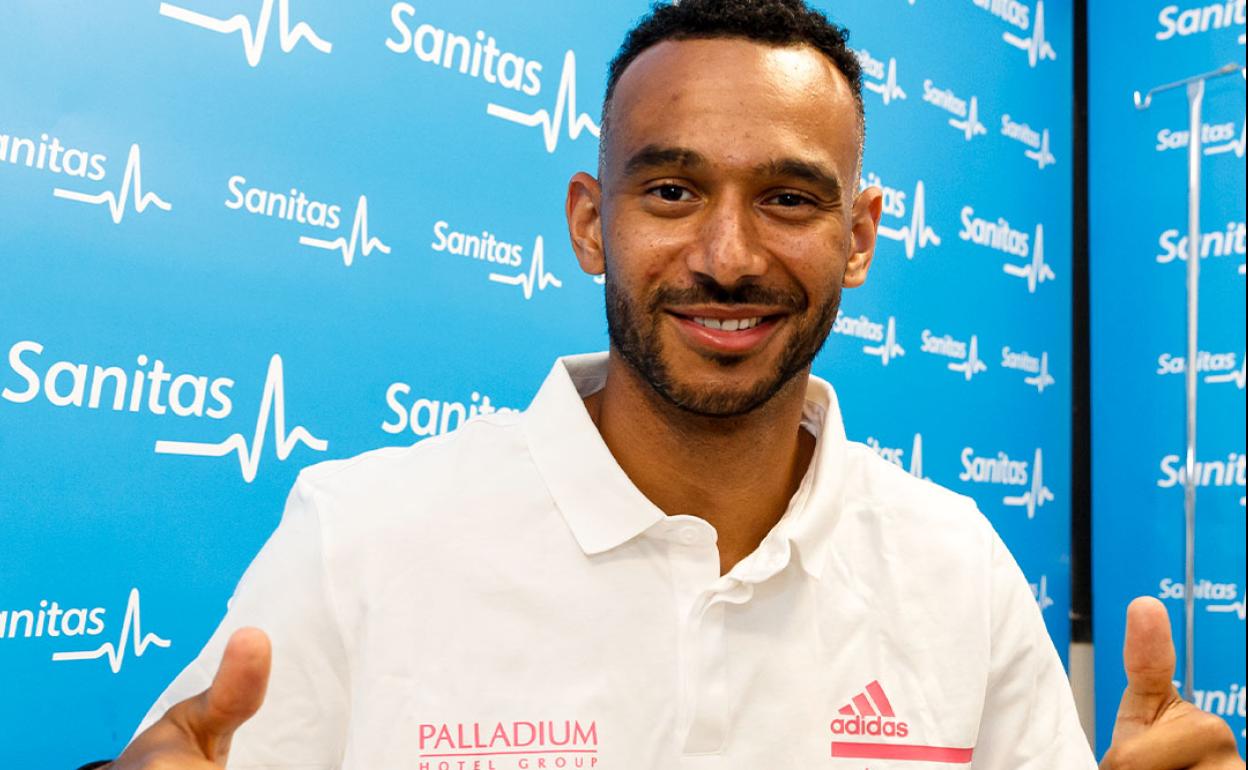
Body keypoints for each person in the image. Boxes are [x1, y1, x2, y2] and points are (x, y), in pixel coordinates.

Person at [94, 1, 1243, 768]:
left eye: (789, 199)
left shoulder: (960, 567)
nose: (728, 255)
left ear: (860, 237)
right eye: (672, 192)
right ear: (593, 222)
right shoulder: (362, 536)